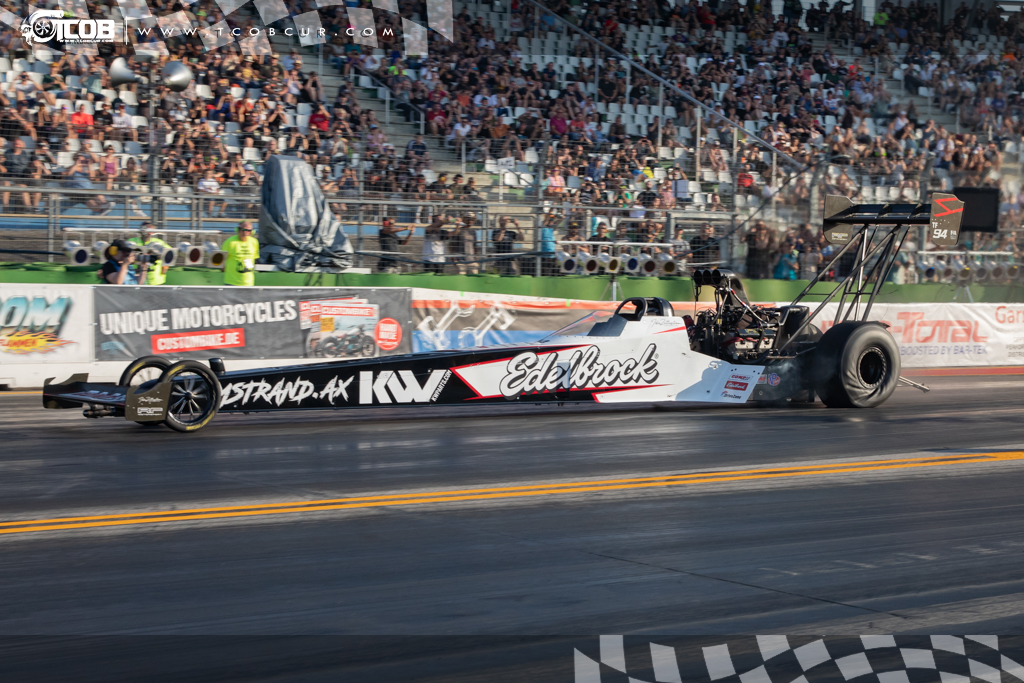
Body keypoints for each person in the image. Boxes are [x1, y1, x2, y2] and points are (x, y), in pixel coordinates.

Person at [221, 221, 259, 286]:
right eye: (242, 230)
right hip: (232, 282)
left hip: (248, 283)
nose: (245, 233)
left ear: (251, 232)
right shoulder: (230, 242)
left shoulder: (254, 242)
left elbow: (254, 258)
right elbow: (221, 260)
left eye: (248, 230)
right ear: (238, 230)